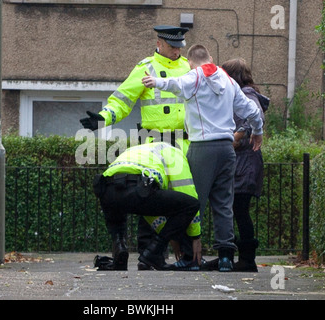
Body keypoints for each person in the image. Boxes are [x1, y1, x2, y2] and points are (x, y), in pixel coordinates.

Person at [142, 44, 264, 272]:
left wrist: (155, 82)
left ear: (190, 63)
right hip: (227, 149)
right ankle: (226, 257)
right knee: (224, 203)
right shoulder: (228, 81)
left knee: (192, 202)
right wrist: (258, 132)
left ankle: (189, 257)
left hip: (202, 147)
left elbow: (176, 85)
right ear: (211, 58)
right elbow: (252, 111)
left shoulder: (194, 76)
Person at [80, 25, 192, 270]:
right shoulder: (145, 68)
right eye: (173, 46)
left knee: (186, 200)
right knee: (151, 197)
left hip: (184, 144)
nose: (177, 51)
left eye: (180, 47)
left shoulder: (188, 68)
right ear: (159, 43)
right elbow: (122, 100)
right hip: (155, 143)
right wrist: (102, 118)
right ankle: (148, 253)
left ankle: (186, 256)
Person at [92, 142, 201, 271]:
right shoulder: (176, 153)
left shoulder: (137, 149)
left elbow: (150, 213)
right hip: (140, 189)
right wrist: (195, 237)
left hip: (107, 190)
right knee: (192, 204)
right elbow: (187, 191)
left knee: (117, 217)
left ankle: (120, 249)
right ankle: (152, 254)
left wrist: (170, 235)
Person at [222, 58, 269, 272]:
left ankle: (247, 260)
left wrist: (235, 138)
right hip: (244, 162)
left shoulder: (247, 95)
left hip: (245, 163)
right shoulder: (242, 94)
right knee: (236, 210)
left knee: (239, 209)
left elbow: (254, 118)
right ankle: (239, 258)